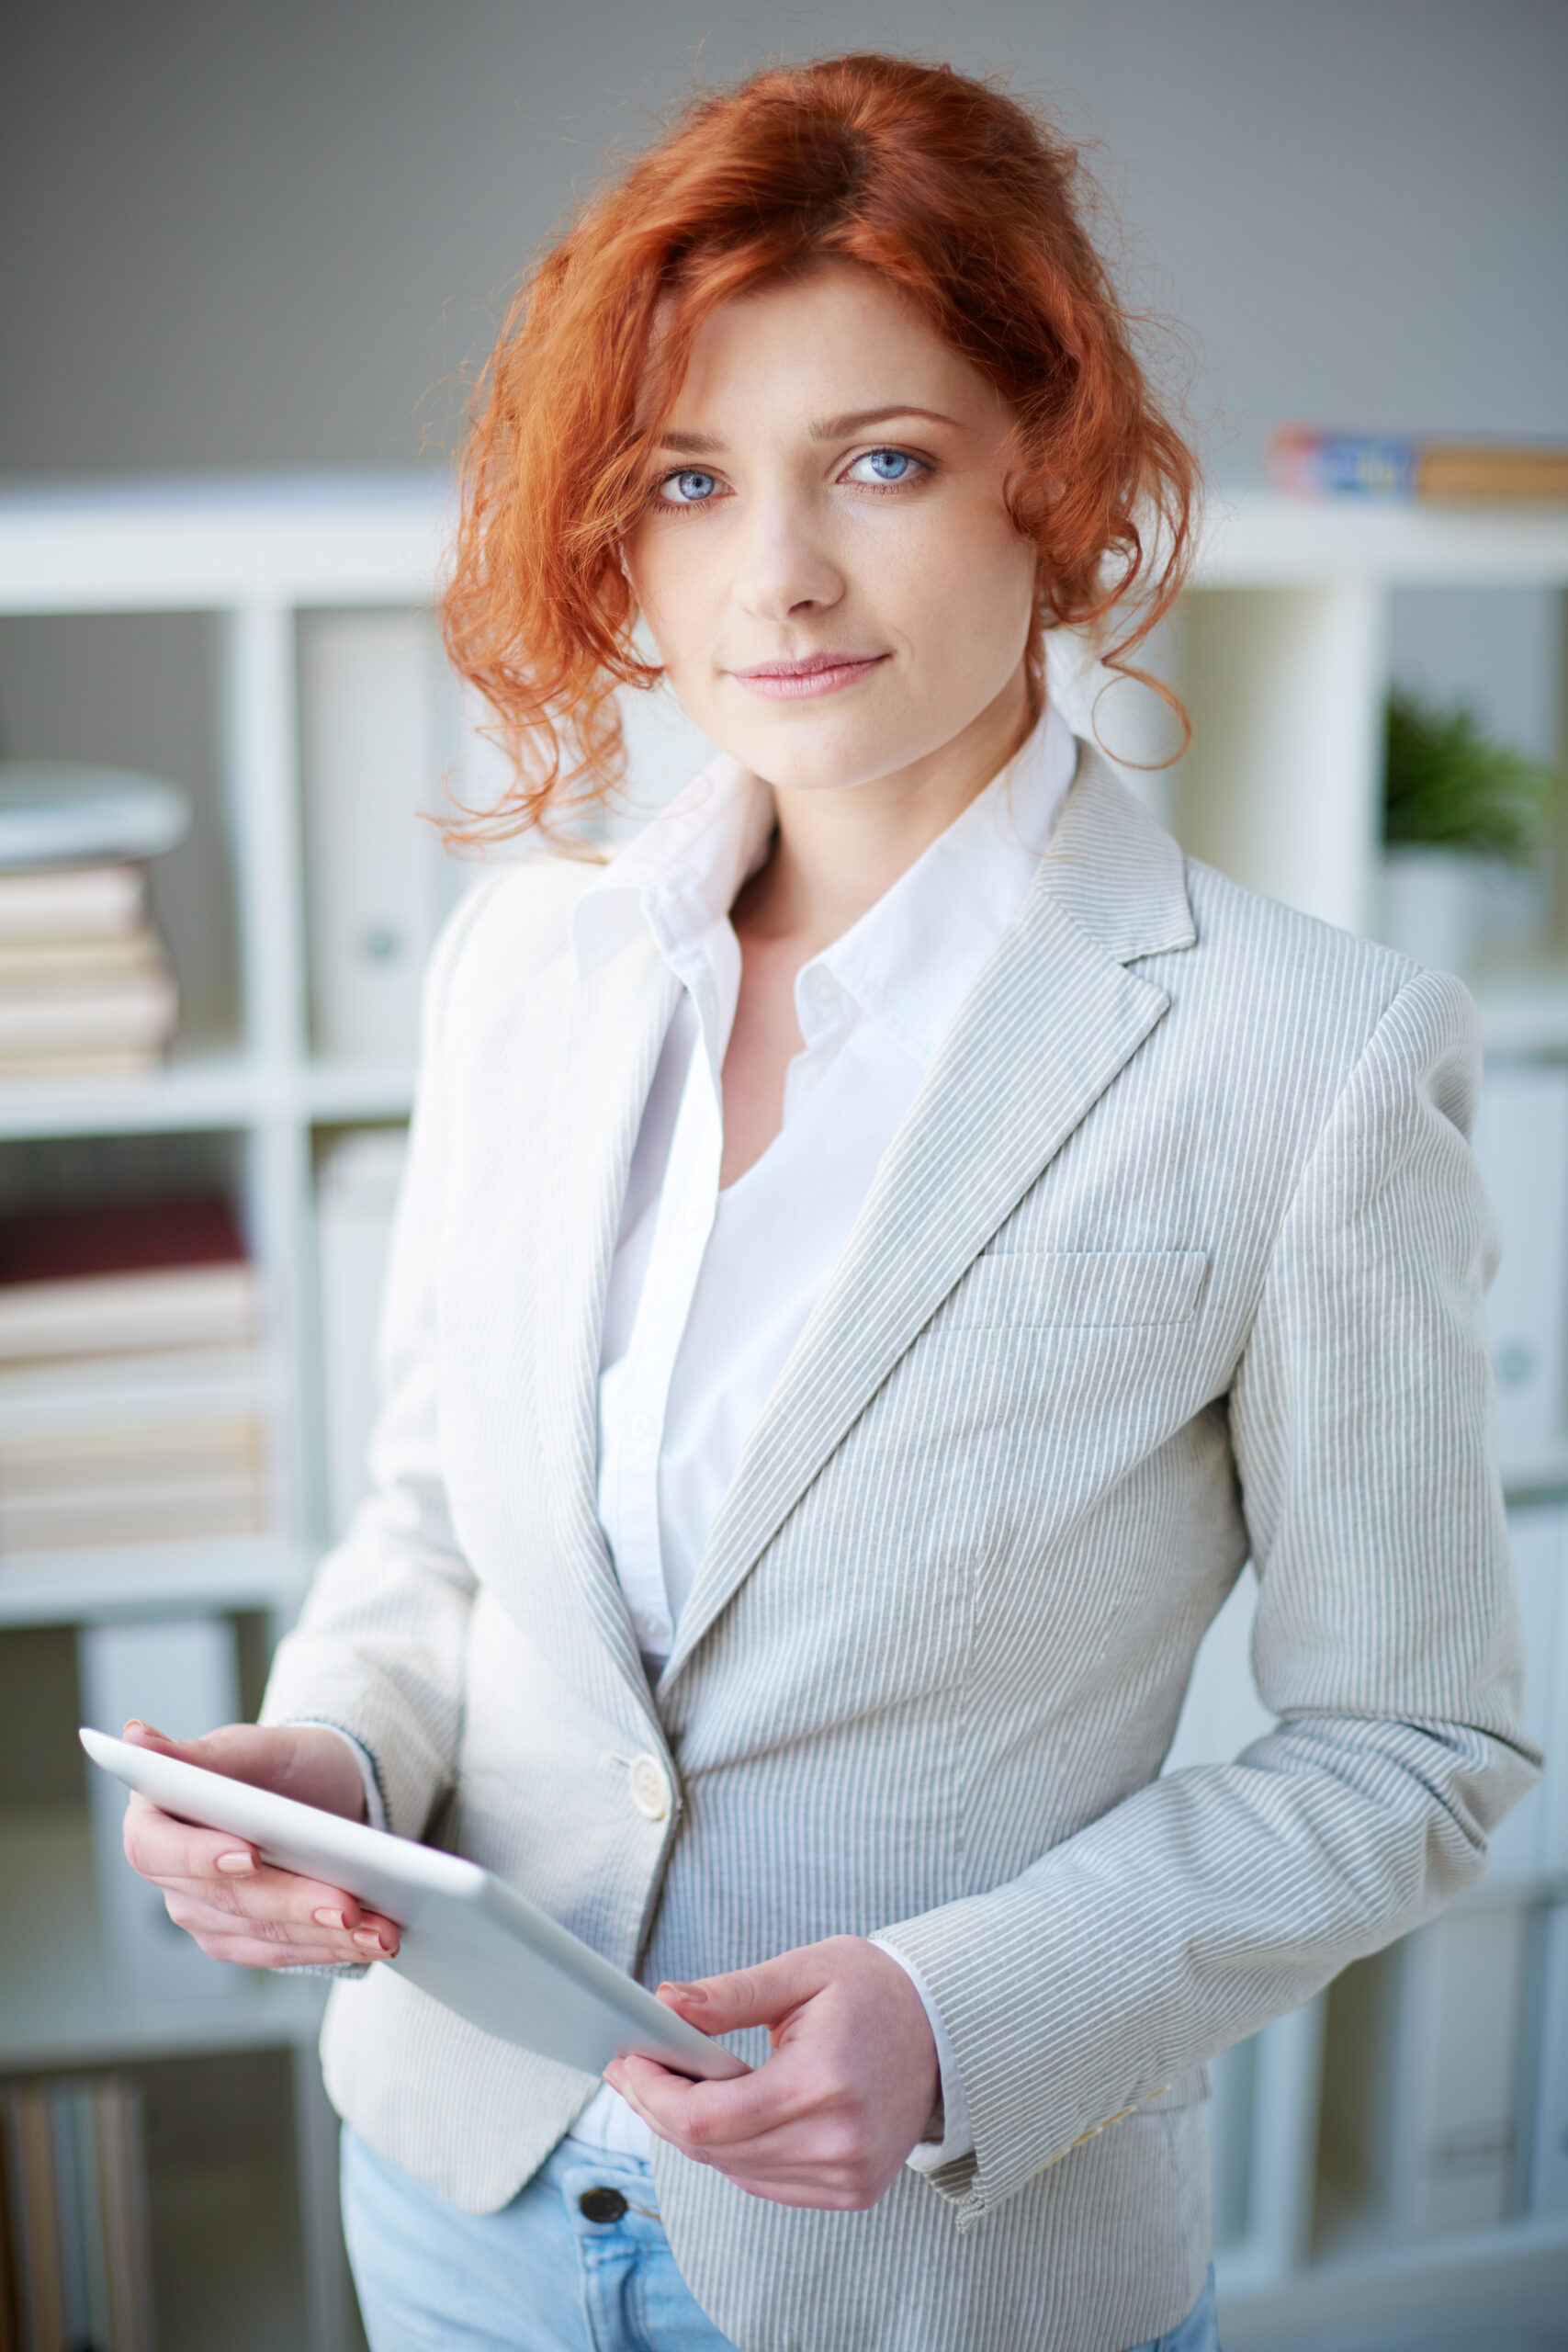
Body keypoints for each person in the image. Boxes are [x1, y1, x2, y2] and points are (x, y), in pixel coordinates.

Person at [119, 51, 1537, 2352]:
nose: (770, 573)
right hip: (462, 2190)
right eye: (686, 481)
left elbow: (1413, 1742)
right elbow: (438, 1528)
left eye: (880, 462)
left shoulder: (1305, 1052)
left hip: (942, 2269)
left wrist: (957, 2010)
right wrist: (336, 1757)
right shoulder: (530, 969)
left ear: (1046, 490)